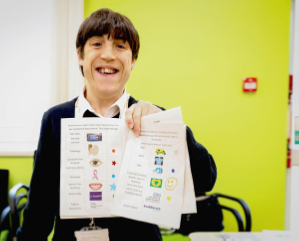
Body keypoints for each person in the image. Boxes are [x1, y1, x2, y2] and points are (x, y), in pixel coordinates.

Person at [17, 8, 217, 241]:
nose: (109, 55)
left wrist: (168, 127)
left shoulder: (153, 119)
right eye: (97, 44)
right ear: (80, 56)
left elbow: (206, 179)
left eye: (120, 46)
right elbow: (39, 209)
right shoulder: (55, 119)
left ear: (132, 61)